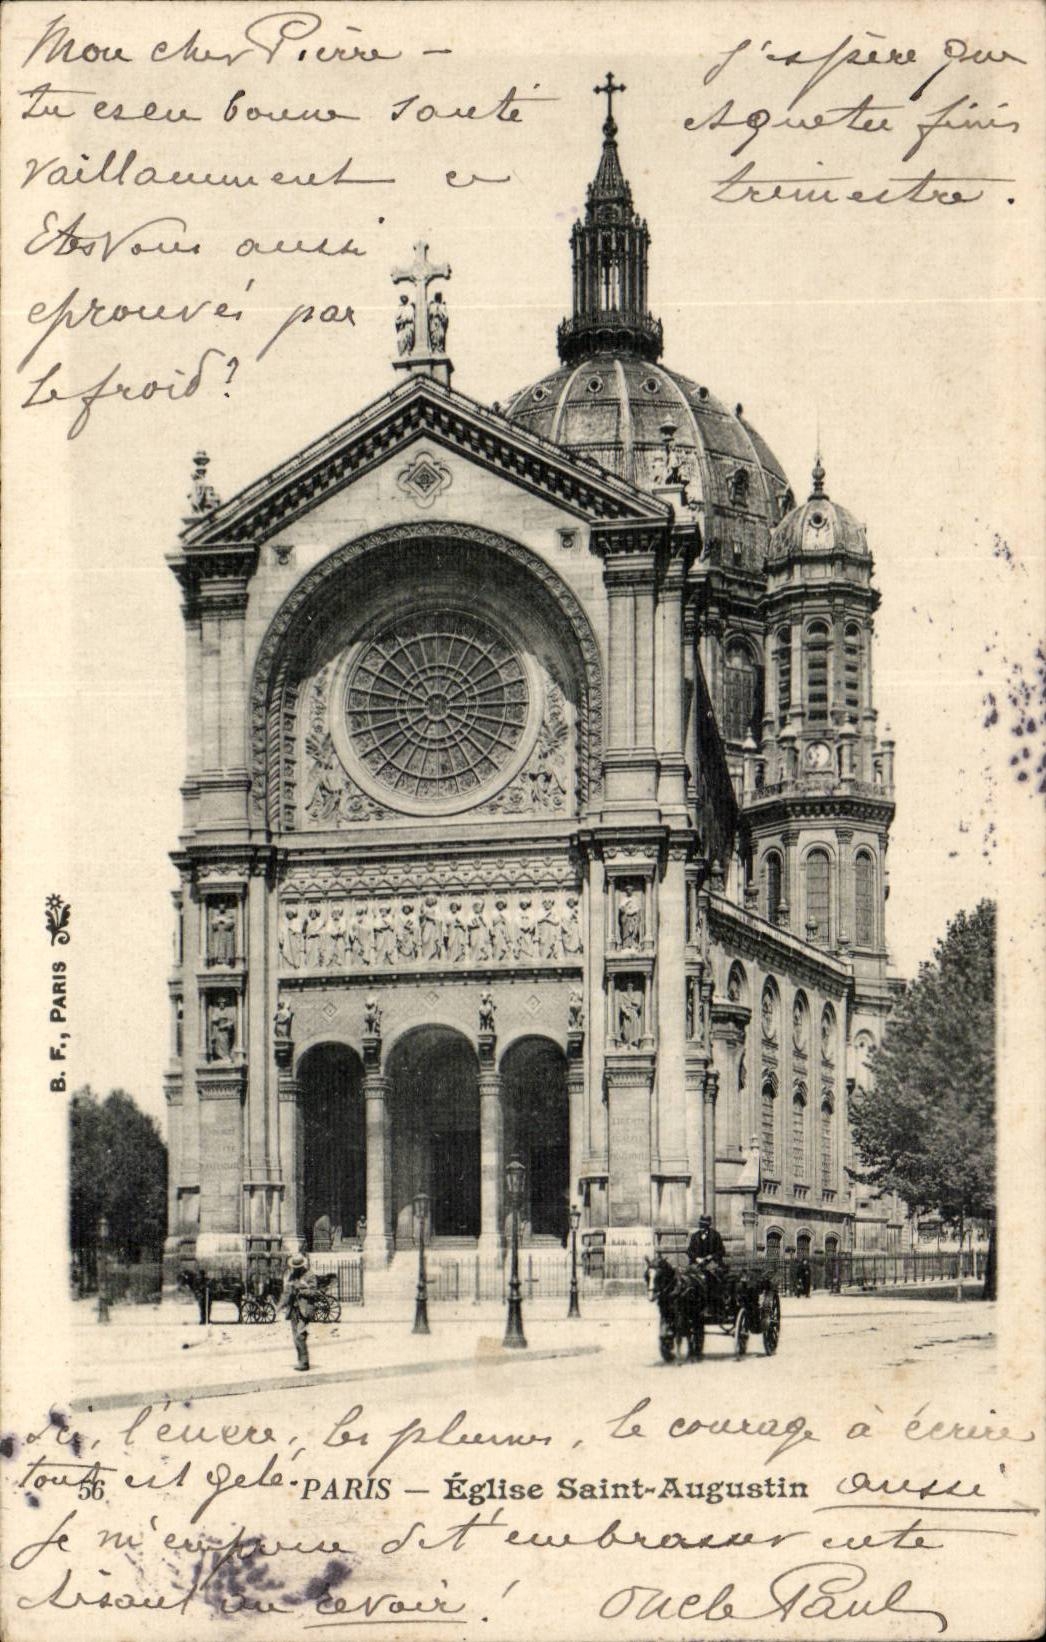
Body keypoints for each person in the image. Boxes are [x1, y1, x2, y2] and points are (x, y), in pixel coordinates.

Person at [279, 1252, 318, 1372]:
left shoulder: (310, 1275)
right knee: (295, 1337)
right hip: (294, 1310)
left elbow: (314, 1292)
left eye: (297, 1267)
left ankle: (304, 1363)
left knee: (300, 1336)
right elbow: (286, 1292)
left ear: (302, 1265)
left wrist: (301, 1290)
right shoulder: (292, 1276)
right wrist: (280, 1305)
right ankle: (300, 1360)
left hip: (305, 1309)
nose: (295, 1269)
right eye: (294, 1267)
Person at [687, 1214, 726, 1310]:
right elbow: (689, 1250)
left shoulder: (715, 1235)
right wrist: (696, 1258)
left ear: (708, 1225)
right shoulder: (695, 1236)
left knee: (710, 1277)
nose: (702, 1227)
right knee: (688, 1275)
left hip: (712, 1263)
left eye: (704, 1225)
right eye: (700, 1225)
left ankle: (710, 1303)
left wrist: (711, 1256)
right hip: (697, 1263)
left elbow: (722, 1251)